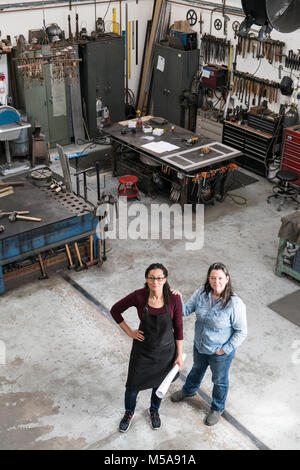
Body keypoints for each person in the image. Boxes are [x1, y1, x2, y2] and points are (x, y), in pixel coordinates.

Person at [171, 262, 247, 426]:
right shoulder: (201, 293)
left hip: (220, 353)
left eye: (220, 278)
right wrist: (176, 299)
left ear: (227, 279)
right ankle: (188, 391)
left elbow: (241, 332)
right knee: (196, 370)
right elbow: (185, 310)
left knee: (219, 380)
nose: (216, 281)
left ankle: (217, 408)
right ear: (209, 278)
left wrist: (224, 350)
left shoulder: (235, 304)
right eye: (213, 278)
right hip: (200, 346)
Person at [110, 263, 184, 432]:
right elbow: (115, 310)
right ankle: (129, 413)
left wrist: (179, 355)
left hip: (166, 353)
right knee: (132, 387)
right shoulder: (139, 296)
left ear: (165, 279)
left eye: (159, 278)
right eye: (151, 278)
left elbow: (179, 328)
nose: (155, 281)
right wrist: (129, 331)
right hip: (143, 352)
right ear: (146, 279)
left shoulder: (174, 299)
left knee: (159, 386)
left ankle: (154, 410)